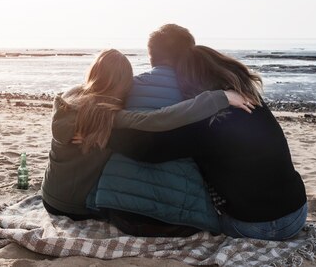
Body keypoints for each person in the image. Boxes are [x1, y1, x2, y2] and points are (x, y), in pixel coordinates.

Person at [107, 40, 308, 241]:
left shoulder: (203, 123)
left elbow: (151, 151)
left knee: (201, 215)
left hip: (254, 227)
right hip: (297, 213)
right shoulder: (250, 99)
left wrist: (106, 135)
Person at [41, 48, 258, 221]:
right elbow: (157, 119)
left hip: (48, 196)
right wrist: (218, 98)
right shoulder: (106, 116)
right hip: (74, 208)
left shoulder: (68, 97)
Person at [91, 25, 228, 235]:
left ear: (150, 55)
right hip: (175, 220)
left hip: (117, 211)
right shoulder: (197, 95)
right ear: (188, 55)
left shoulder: (126, 87)